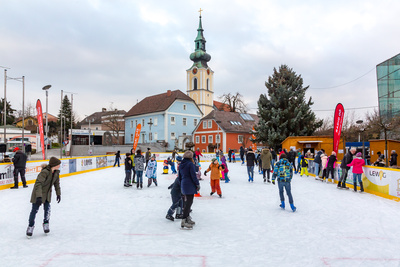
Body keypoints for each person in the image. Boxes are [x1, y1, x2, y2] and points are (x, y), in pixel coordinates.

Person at [26, 157, 61, 237]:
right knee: (34, 210)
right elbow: (38, 184)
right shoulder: (44, 172)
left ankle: (46, 223)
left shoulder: (56, 173)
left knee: (47, 210)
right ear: (54, 165)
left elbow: (56, 184)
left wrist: (58, 194)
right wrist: (38, 196)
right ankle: (30, 226)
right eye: (58, 164)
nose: (59, 165)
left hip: (47, 195)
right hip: (39, 194)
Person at [178, 151, 200, 229]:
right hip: (190, 184)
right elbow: (193, 175)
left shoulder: (181, 164)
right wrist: (197, 184)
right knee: (189, 203)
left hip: (184, 183)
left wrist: (181, 184)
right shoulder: (190, 164)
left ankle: (187, 218)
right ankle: (183, 221)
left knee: (187, 202)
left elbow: (179, 176)